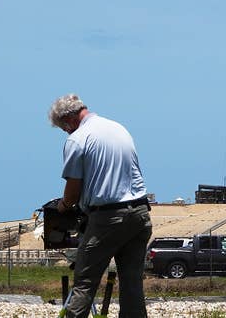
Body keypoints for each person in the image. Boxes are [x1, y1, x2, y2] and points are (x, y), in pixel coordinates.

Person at [49, 94, 152, 318]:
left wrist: (64, 206)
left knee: (85, 280)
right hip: (140, 214)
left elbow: (73, 191)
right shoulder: (118, 128)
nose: (65, 132)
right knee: (132, 284)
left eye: (63, 128)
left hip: (108, 217)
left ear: (69, 120)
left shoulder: (78, 139)